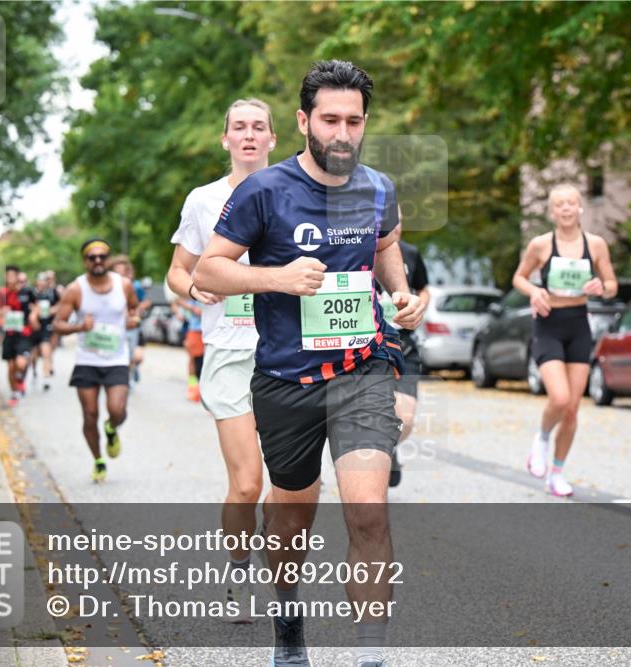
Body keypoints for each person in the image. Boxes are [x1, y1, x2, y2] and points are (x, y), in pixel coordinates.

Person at [194, 60, 425, 667]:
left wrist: (400, 294)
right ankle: (289, 621)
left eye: (354, 121)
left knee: (368, 514)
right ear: (303, 121)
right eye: (330, 120)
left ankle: (370, 654)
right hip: (284, 381)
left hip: (362, 370)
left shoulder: (378, 187)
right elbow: (207, 270)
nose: (343, 133)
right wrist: (277, 277)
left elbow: (386, 243)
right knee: (291, 519)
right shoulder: (263, 191)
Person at [166, 97, 276, 621]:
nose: (249, 135)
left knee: (289, 487)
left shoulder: (299, 194)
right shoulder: (203, 200)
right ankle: (238, 574)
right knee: (248, 483)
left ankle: (285, 576)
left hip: (287, 353)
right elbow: (176, 270)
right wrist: (192, 287)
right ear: (226, 139)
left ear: (274, 139)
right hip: (230, 351)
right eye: (240, 127)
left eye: (259, 127)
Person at [512, 183, 617, 497]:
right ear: (552, 211)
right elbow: (519, 277)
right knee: (558, 398)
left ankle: (557, 472)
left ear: (581, 207)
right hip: (548, 324)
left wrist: (602, 286)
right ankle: (541, 439)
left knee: (572, 409)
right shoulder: (541, 245)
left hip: (578, 324)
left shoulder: (596, 245)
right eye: (560, 204)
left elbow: (612, 284)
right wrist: (534, 292)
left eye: (572, 203)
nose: (567, 208)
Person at [52, 239, 139, 483]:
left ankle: (111, 428)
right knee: (90, 415)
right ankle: (98, 460)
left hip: (117, 358)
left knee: (117, 410)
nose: (98, 261)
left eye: (103, 256)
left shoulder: (124, 285)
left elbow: (135, 309)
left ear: (108, 260)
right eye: (93, 257)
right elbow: (57, 324)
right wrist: (80, 326)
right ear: (85, 261)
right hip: (87, 359)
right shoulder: (75, 289)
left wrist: (135, 319)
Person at [375, 215, 431, 487]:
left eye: (397, 220)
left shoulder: (410, 253)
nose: (393, 225)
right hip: (371, 346)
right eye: (388, 220)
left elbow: (424, 289)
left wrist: (418, 305)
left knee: (405, 419)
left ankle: (389, 446)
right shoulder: (357, 249)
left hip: (405, 345)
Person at [0, 265, 40, 407]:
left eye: (12, 275)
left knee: (21, 363)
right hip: (9, 333)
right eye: (7, 275)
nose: (10, 278)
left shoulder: (27, 292)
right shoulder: (2, 293)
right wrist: (2, 312)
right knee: (10, 366)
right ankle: (14, 392)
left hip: (24, 333)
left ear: (17, 277)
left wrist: (34, 315)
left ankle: (20, 379)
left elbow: (37, 306)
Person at [107, 256, 149, 386]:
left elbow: (142, 303)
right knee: (119, 356)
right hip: (114, 328)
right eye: (116, 272)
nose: (120, 275)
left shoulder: (133, 286)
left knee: (134, 357)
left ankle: (130, 375)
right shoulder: (107, 287)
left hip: (131, 327)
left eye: (123, 272)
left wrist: (136, 316)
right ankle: (122, 380)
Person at [32, 272, 60, 390]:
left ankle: (46, 378)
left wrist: (52, 310)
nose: (43, 282)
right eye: (41, 280)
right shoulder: (31, 293)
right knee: (34, 354)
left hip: (46, 327)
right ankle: (34, 370)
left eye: (46, 280)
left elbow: (61, 304)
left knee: (46, 351)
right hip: (33, 328)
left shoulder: (52, 293)